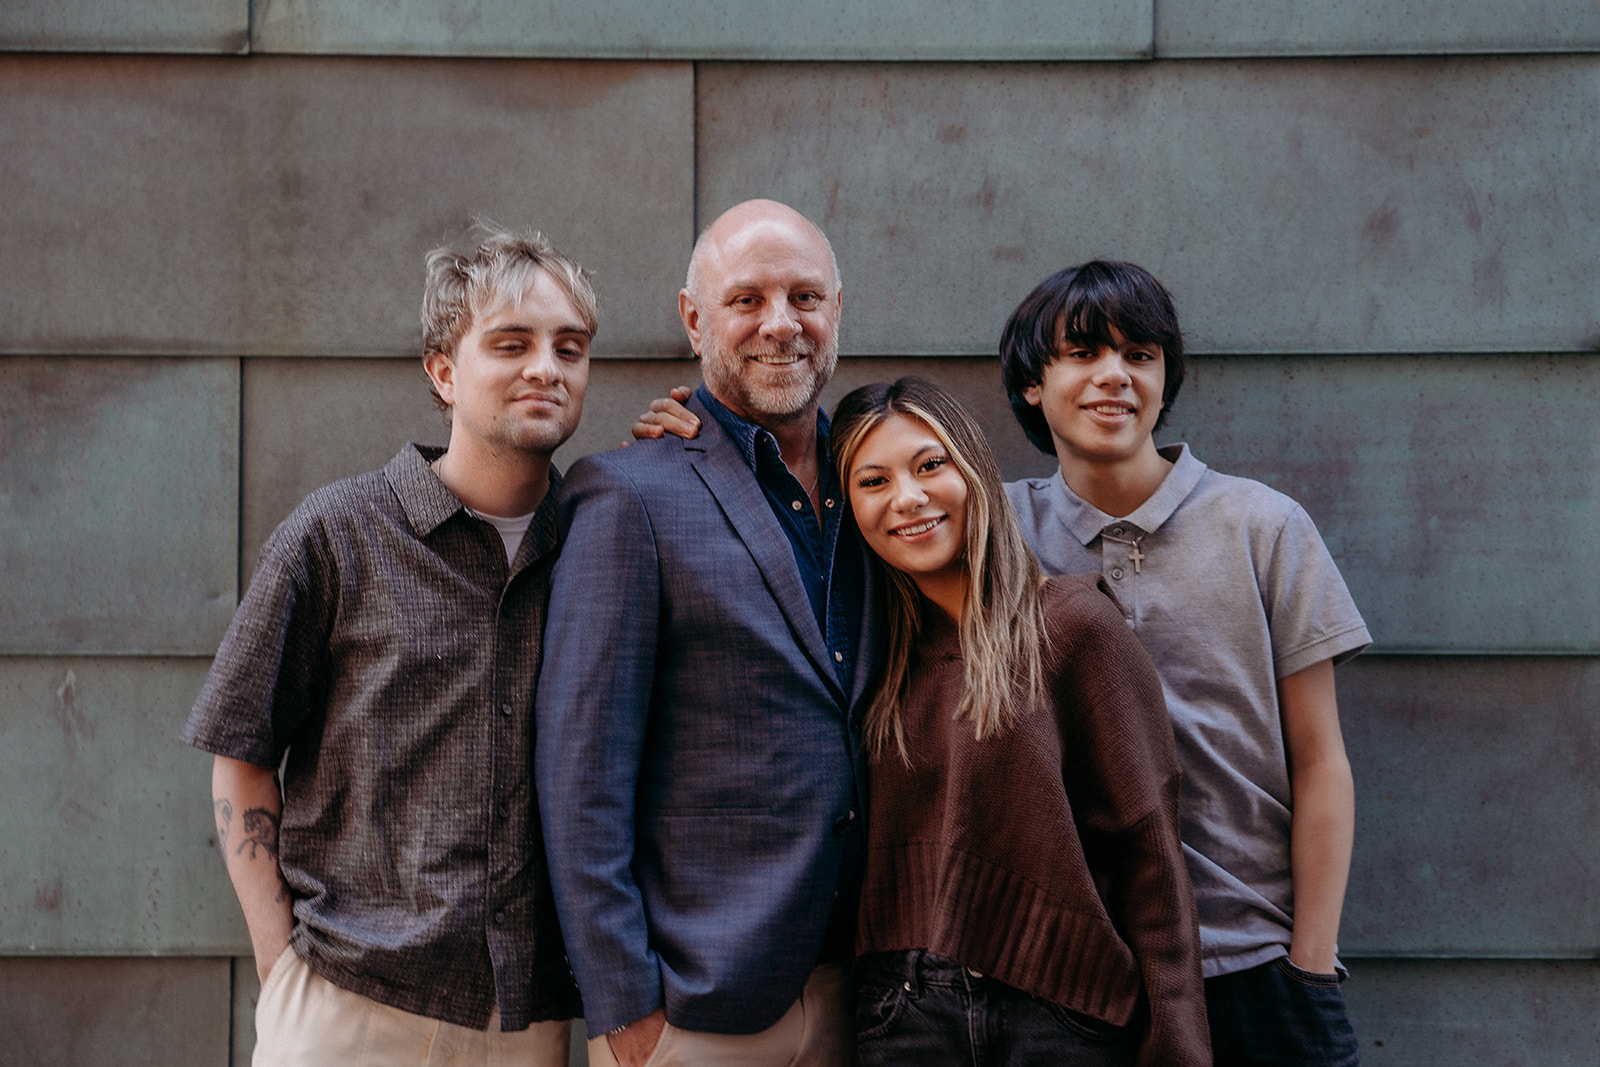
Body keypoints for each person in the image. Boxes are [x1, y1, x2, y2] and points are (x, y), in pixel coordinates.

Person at [181, 225, 593, 1065]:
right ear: (443, 370)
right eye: (510, 343)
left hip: (528, 1024)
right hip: (348, 1005)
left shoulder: (600, 538)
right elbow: (240, 749)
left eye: (570, 347)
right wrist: (279, 962)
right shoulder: (338, 533)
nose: (546, 367)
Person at [1000, 260, 1369, 1066]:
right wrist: (698, 431)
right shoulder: (995, 530)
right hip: (1080, 981)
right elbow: (865, 482)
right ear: (1033, 382)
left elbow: (1321, 761)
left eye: (1140, 356)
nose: (1115, 377)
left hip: (1255, 966)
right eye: (1084, 353)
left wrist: (1309, 959)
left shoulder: (1264, 525)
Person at [536, 199, 873, 1067]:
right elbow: (582, 776)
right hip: (698, 1007)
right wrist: (628, 1016)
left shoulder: (881, 488)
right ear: (694, 319)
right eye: (746, 299)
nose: (781, 324)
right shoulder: (628, 495)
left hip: (872, 996)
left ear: (838, 308)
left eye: (805, 296)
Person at [830, 377, 1209, 1067]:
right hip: (902, 1010)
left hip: (1063, 1014)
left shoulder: (1072, 627)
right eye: (872, 479)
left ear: (972, 468)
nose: (908, 498)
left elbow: (1150, 853)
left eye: (929, 464)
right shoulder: (867, 655)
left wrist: (1178, 1044)